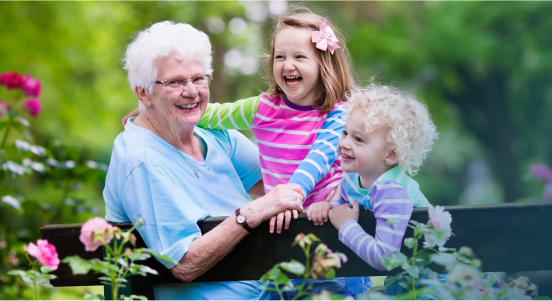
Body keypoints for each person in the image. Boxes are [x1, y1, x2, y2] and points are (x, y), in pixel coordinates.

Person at [103, 21, 304, 301]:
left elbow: (289, 188)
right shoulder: (141, 160)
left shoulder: (216, 137)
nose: (192, 91)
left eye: (198, 79)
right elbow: (185, 263)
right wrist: (251, 213)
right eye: (175, 82)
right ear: (143, 92)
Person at [122, 6, 354, 235]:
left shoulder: (338, 114)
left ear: (324, 65)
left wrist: (290, 194)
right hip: (282, 223)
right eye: (280, 56)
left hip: (326, 219)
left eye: (300, 57)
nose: (287, 64)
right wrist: (153, 109)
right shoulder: (263, 108)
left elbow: (318, 159)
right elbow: (209, 114)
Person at [312, 83, 439, 292]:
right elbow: (341, 206)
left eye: (358, 139)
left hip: (431, 284)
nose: (344, 143)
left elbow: (385, 259)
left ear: (390, 154)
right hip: (406, 280)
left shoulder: (392, 191)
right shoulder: (351, 178)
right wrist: (329, 206)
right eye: (345, 133)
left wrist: (347, 227)